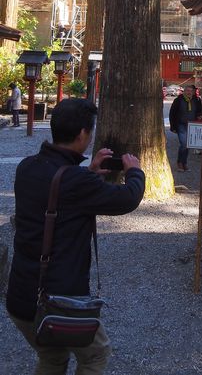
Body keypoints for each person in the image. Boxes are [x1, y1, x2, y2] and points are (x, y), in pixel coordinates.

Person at [6, 98, 145, 375]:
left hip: (21, 295)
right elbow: (128, 199)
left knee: (53, 357)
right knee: (96, 354)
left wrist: (89, 173)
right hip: (59, 301)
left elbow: (58, 194)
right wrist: (135, 172)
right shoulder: (76, 182)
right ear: (83, 134)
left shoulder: (27, 167)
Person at [169, 85, 202, 172]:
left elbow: (200, 110)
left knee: (188, 144)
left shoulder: (196, 100)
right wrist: (173, 126)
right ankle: (179, 162)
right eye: (187, 91)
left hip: (192, 125)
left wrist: (200, 115)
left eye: (191, 91)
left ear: (193, 92)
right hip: (181, 124)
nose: (189, 92)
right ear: (184, 91)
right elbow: (172, 113)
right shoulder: (178, 100)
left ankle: (184, 163)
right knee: (183, 144)